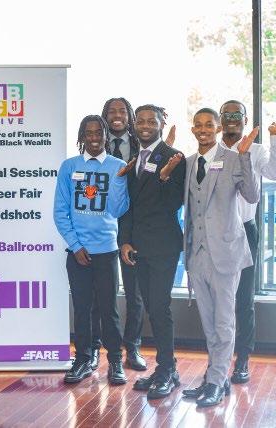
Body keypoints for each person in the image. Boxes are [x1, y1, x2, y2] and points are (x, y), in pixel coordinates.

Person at [181, 108, 258, 407]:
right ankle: (217, 376)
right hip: (197, 254)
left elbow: (251, 195)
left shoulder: (233, 158)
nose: (203, 129)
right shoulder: (188, 163)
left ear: (217, 128)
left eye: (209, 125)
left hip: (226, 252)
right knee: (209, 323)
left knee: (224, 322)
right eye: (198, 125)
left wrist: (245, 157)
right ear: (193, 129)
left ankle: (215, 381)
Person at [53, 115, 131, 385]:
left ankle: (116, 361)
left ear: (106, 135)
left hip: (107, 251)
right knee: (83, 308)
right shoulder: (69, 166)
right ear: (82, 136)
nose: (94, 137)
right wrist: (75, 246)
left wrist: (118, 181)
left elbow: (119, 210)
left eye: (99, 132)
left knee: (109, 309)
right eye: (89, 133)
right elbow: (60, 212)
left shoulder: (118, 166)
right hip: (78, 254)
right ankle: (83, 359)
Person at [219, 101, 276, 384]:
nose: (232, 119)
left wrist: (274, 137)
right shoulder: (212, 150)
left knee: (243, 297)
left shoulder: (257, 150)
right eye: (227, 115)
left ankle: (243, 358)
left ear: (245, 120)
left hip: (245, 230)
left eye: (237, 114)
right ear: (220, 119)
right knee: (219, 297)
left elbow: (275, 173)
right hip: (216, 231)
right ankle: (219, 358)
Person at [119, 105, 186, 399]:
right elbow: (128, 206)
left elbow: (172, 205)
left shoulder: (174, 157)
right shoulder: (135, 159)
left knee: (160, 309)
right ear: (135, 125)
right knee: (151, 308)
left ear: (161, 124)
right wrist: (124, 240)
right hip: (138, 248)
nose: (145, 125)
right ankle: (166, 369)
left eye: (152, 121)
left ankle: (167, 370)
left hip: (162, 247)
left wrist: (164, 177)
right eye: (141, 121)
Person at [100, 97, 146, 372]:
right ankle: (103, 348)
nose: (117, 115)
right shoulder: (95, 143)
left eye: (122, 111)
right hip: (102, 226)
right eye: (111, 111)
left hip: (134, 228)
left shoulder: (142, 146)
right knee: (102, 294)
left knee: (135, 294)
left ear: (129, 116)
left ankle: (133, 347)